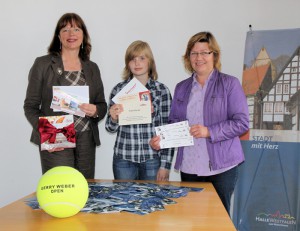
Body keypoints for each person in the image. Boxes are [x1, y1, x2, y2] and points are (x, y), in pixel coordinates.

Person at [150, 32, 249, 214]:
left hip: (222, 167)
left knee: (218, 220)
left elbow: (242, 123)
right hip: (190, 166)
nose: (199, 58)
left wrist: (208, 131)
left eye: (205, 52)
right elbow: (175, 123)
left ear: (214, 55)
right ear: (188, 58)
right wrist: (161, 141)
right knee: (191, 219)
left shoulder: (230, 84)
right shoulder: (181, 87)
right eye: (194, 53)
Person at [24, 13, 107, 179]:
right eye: (66, 29)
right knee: (60, 196)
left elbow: (102, 105)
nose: (71, 34)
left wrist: (95, 110)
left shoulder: (92, 68)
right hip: (57, 138)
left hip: (85, 140)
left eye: (76, 29)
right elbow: (30, 106)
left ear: (84, 35)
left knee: (86, 193)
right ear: (58, 36)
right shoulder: (43, 64)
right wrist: (49, 134)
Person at [105, 40, 174, 181]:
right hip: (123, 159)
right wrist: (113, 118)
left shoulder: (162, 91)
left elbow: (168, 129)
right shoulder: (118, 90)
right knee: (124, 202)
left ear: (150, 62)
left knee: (152, 201)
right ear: (127, 63)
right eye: (132, 59)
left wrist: (165, 166)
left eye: (142, 58)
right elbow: (110, 128)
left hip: (152, 159)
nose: (137, 63)